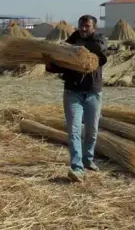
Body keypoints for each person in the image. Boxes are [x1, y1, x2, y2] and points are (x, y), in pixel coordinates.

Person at [44, 15, 108, 182]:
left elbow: (99, 50)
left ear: (94, 27)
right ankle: (77, 168)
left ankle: (88, 160)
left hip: (93, 92)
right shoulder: (70, 43)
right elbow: (59, 65)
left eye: (87, 26)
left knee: (92, 131)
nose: (84, 29)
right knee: (74, 130)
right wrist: (50, 63)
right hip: (73, 92)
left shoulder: (98, 40)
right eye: (81, 26)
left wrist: (74, 49)